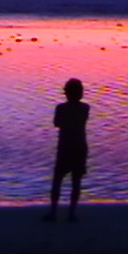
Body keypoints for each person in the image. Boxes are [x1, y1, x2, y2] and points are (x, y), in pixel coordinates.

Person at [43, 78, 90, 223]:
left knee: (58, 181)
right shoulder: (85, 108)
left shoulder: (61, 108)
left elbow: (57, 123)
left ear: (66, 93)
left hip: (65, 147)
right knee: (76, 182)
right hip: (79, 146)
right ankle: (71, 214)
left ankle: (53, 212)